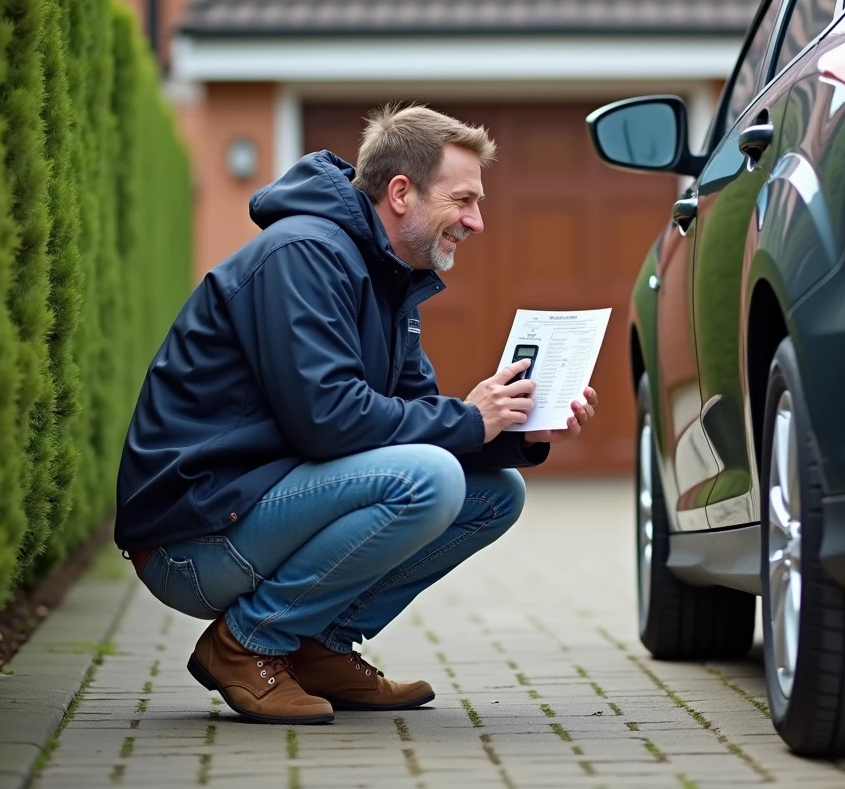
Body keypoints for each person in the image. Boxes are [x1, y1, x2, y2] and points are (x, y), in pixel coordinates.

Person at [114, 104, 598, 725]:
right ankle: (247, 643)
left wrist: (516, 428)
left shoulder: (388, 276)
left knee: (495, 493)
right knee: (430, 479)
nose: (478, 221)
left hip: (258, 507)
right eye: (464, 200)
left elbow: (416, 414)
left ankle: (318, 646)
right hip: (195, 537)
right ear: (401, 193)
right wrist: (470, 419)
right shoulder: (304, 255)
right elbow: (329, 421)